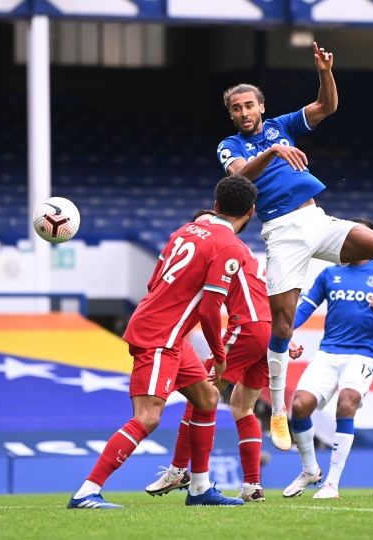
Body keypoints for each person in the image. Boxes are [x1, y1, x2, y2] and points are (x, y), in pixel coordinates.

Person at [216, 42, 373, 451]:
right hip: (282, 232)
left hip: (315, 219)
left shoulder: (282, 124)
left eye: (248, 105)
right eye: (236, 109)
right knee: (283, 326)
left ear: (260, 106)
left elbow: (326, 106)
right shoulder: (230, 146)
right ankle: (279, 413)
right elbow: (242, 180)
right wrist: (273, 151)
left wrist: (325, 71)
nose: (243, 113)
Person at [67, 175, 257, 509]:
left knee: (207, 398)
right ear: (251, 212)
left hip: (166, 331)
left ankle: (199, 488)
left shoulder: (184, 231)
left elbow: (154, 280)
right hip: (161, 336)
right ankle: (86, 492)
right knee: (148, 416)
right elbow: (212, 306)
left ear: (215, 205)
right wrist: (219, 352)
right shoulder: (231, 247)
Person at [281, 218, 373, 499]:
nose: (350, 242)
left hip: (362, 355)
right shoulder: (330, 273)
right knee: (299, 407)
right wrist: (285, 334)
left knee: (347, 404)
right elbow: (304, 309)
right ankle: (310, 470)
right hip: (328, 352)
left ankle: (331, 483)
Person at [144, 210, 272, 503]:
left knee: (200, 393)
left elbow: (209, 306)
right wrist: (279, 337)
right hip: (267, 331)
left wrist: (220, 350)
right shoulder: (246, 254)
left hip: (246, 328)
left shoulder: (222, 250)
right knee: (243, 407)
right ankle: (252, 485)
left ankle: (179, 469)